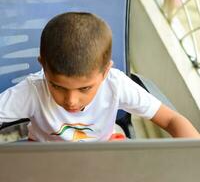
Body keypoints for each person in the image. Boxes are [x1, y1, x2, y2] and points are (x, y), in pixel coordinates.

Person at [0, 12, 199, 142]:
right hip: (43, 160)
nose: (71, 101)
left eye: (85, 88)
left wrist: (192, 156)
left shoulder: (116, 84)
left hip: (102, 154)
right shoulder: (33, 89)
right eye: (57, 86)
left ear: (105, 72)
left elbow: (172, 119)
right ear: (42, 66)